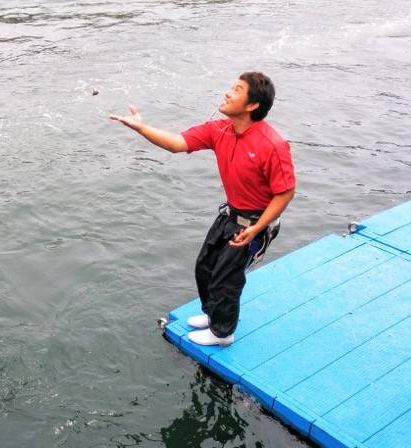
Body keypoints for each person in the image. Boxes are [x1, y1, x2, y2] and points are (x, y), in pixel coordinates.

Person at [110, 72, 296, 346]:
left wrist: (257, 227)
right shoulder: (219, 130)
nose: (228, 93)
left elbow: (285, 192)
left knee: (226, 278)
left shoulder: (273, 145)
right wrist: (141, 127)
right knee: (205, 267)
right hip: (232, 215)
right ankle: (213, 315)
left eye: (237, 90)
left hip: (258, 223)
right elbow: (176, 143)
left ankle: (223, 333)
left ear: (251, 105)